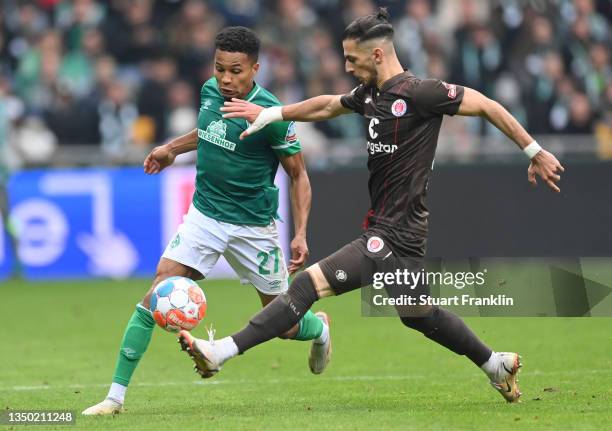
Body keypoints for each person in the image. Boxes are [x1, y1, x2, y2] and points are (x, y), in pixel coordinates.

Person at [177, 9, 565, 403]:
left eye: (352, 59)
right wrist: (273, 113)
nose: (347, 67)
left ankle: (220, 351)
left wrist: (533, 151)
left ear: (377, 55)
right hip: (398, 231)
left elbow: (485, 104)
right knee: (418, 316)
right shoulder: (371, 94)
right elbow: (328, 105)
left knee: (306, 285)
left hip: (393, 235)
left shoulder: (420, 93)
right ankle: (494, 365)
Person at [82, 26, 331, 416]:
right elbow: (208, 131)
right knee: (155, 295)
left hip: (254, 227)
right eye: (219, 69)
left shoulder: (273, 114)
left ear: (255, 69)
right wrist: (170, 149)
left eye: (236, 71)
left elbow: (299, 175)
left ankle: (319, 329)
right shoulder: (209, 92)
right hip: (205, 215)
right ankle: (115, 397)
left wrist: (299, 233)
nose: (226, 79)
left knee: (283, 324)